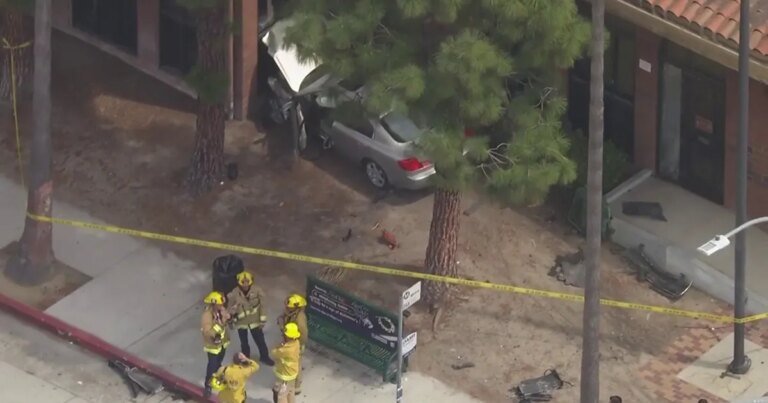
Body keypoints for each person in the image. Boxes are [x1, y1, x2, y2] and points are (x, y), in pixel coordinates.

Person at [227, 271, 274, 366]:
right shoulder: (234, 293)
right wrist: (231, 316)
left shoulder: (257, 291)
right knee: (244, 343)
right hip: (241, 322)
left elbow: (263, 306)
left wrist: (262, 320)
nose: (245, 285)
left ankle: (264, 357)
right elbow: (229, 308)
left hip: (255, 321)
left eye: (247, 282)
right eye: (242, 283)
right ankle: (245, 358)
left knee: (260, 341)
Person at [201, 291, 231, 397]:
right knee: (212, 365)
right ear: (214, 304)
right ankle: (208, 385)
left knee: (219, 362)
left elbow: (226, 320)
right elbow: (207, 330)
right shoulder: (207, 315)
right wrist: (221, 323)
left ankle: (218, 378)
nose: (221, 305)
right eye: (219, 304)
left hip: (222, 343)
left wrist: (227, 317)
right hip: (213, 345)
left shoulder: (220, 310)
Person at [277, 294, 308, 394]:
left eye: (289, 307)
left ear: (296, 308)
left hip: (296, 344)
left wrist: (298, 346)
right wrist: (282, 325)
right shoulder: (290, 312)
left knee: (297, 364)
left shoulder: (300, 319)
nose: (287, 308)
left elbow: (303, 334)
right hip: (288, 340)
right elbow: (282, 317)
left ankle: (297, 386)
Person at [271, 322, 301, 403]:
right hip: (292, 374)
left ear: (288, 336)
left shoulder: (286, 349)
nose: (283, 335)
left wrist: (280, 345)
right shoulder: (296, 343)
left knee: (282, 395)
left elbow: (274, 353)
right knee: (290, 392)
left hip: (285, 376)